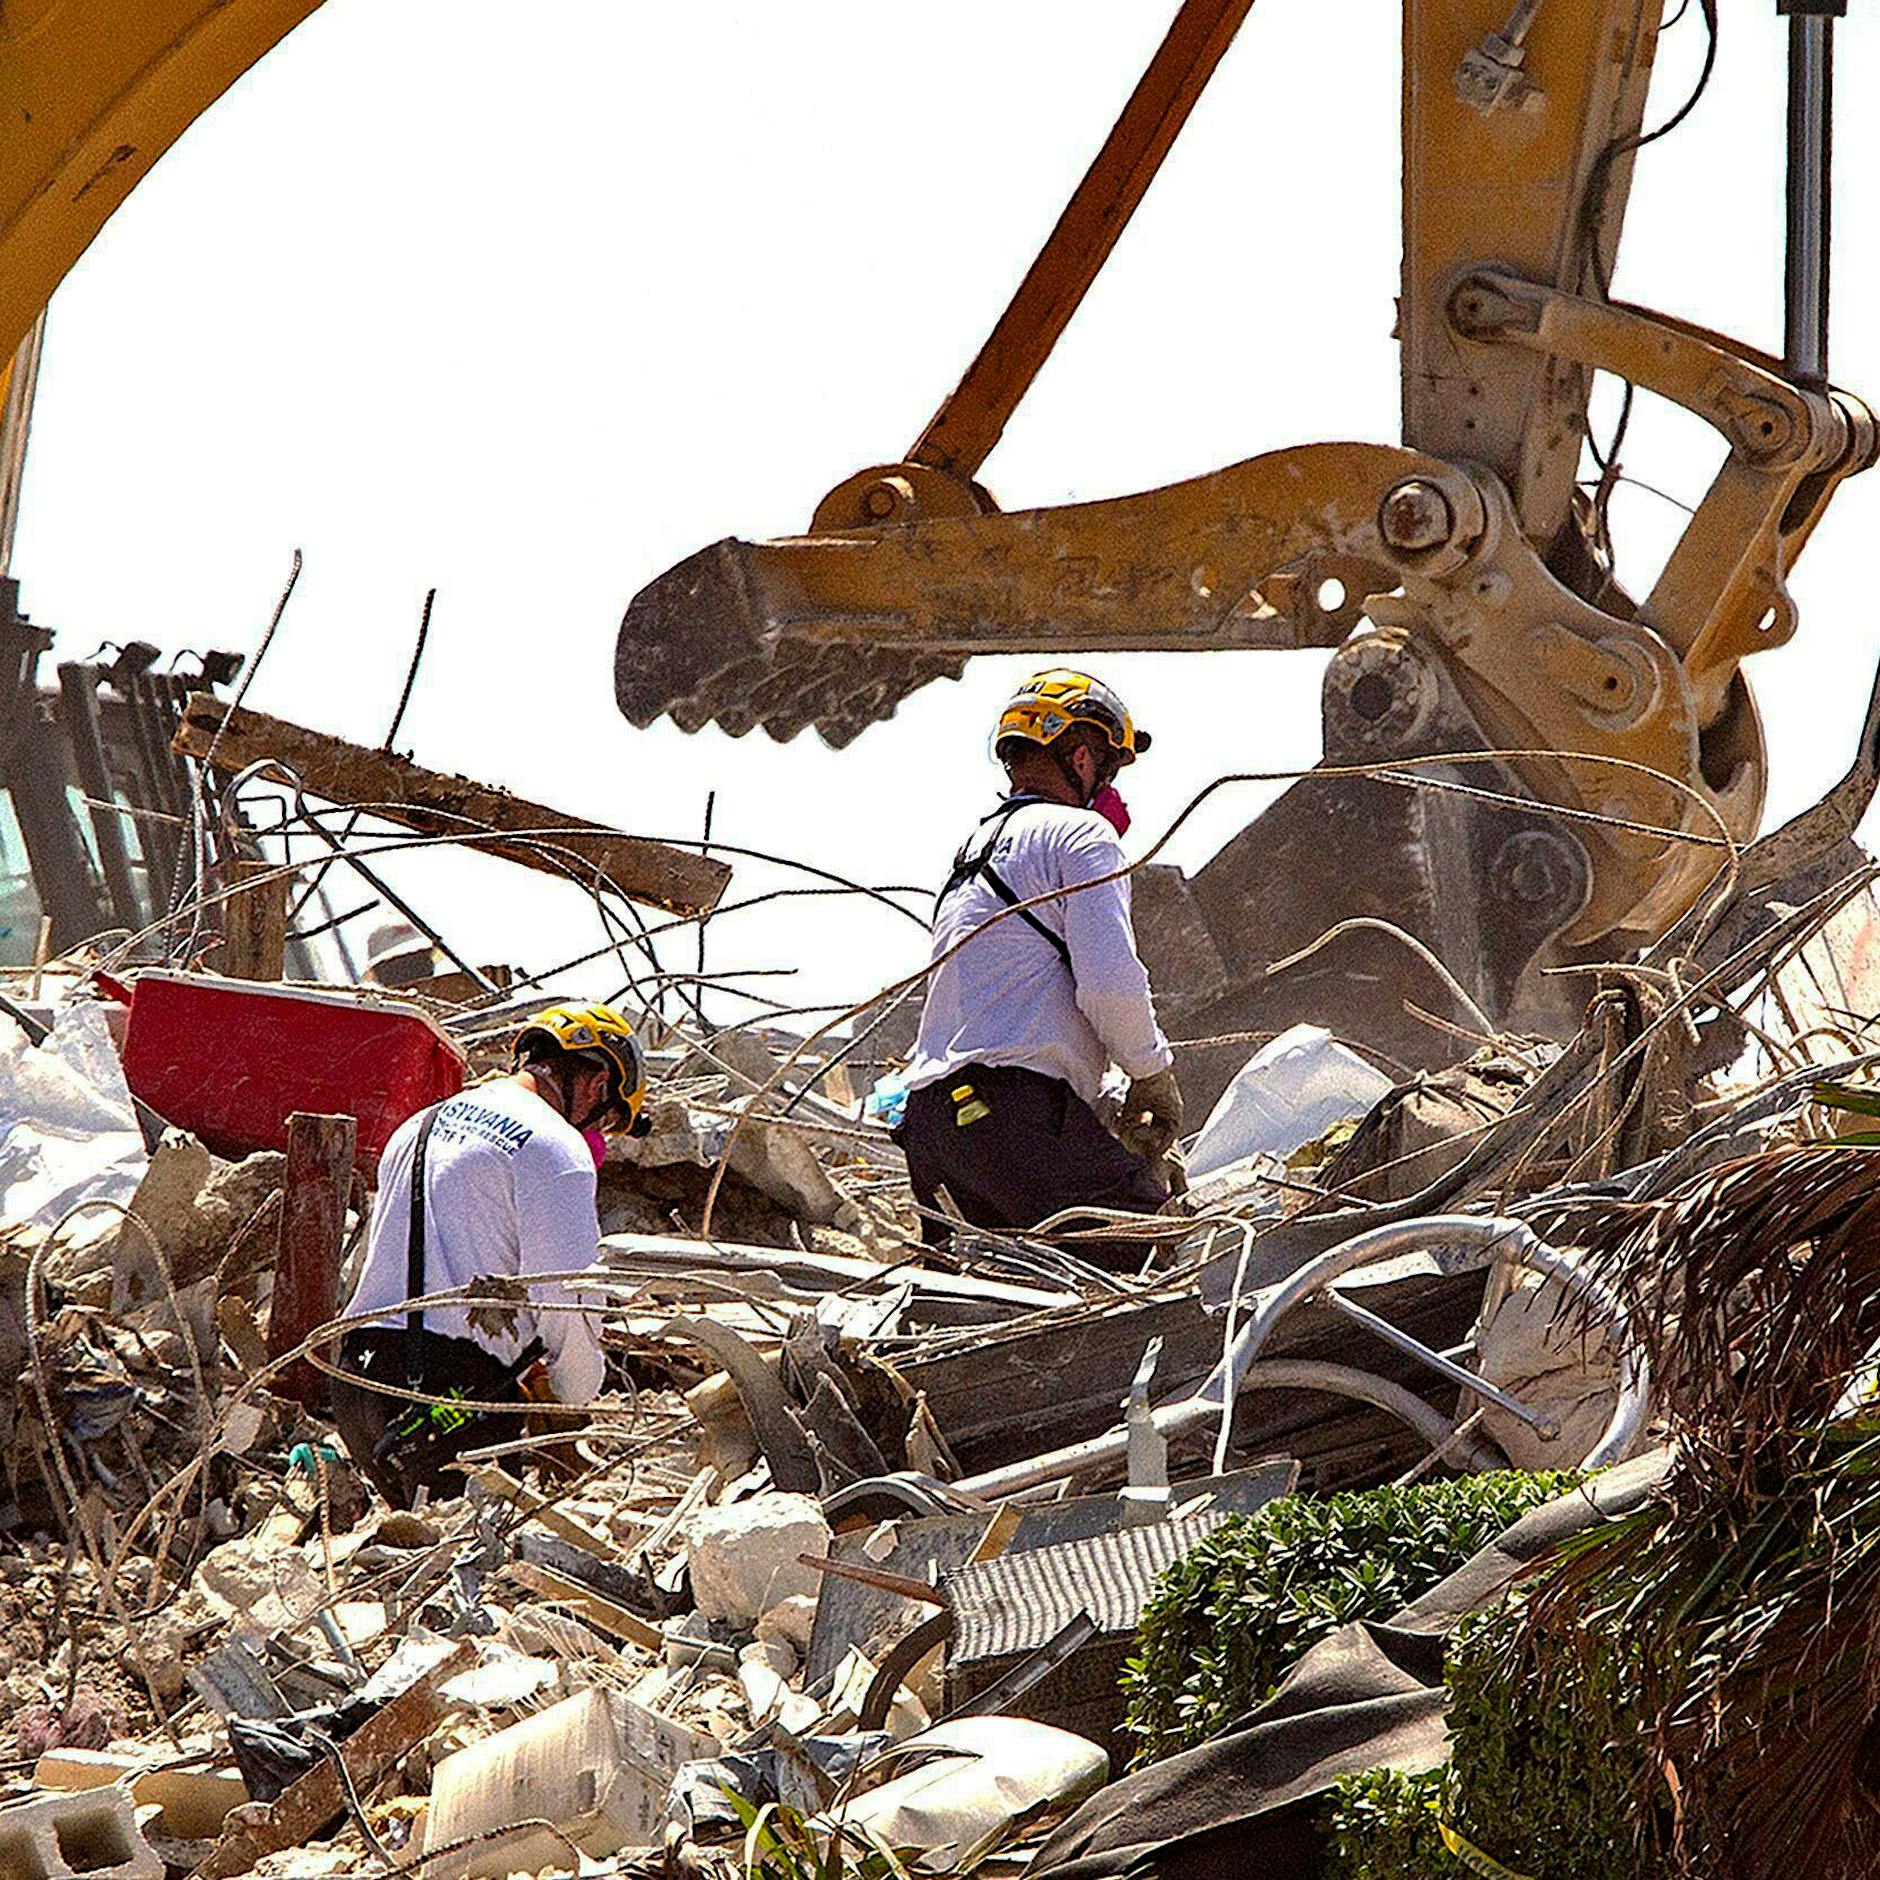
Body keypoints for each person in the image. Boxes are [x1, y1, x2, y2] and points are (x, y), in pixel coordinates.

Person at [894, 669, 1184, 1263]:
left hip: (933, 1127)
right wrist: (1151, 1075)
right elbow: (1109, 985)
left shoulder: (976, 851)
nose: (1110, 789)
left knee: (1004, 1311)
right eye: (1109, 769)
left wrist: (1100, 1115)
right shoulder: (1082, 835)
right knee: (1157, 1259)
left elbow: (1009, 1017)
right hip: (1007, 1113)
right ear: (1082, 757)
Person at [328, 1002, 650, 1508]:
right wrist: (576, 1393)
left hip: (357, 1381)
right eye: (608, 1119)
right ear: (598, 1082)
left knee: (410, 1567)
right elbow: (567, 1300)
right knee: (477, 1572)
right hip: (451, 1399)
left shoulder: (418, 1125)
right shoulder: (556, 1148)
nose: (598, 1135)